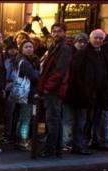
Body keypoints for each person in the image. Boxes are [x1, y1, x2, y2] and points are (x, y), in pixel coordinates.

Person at [67, 29, 107, 155]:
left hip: (94, 94)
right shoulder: (83, 53)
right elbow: (75, 74)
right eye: (96, 38)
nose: (98, 40)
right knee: (81, 121)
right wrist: (81, 91)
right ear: (90, 38)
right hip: (83, 94)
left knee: (88, 121)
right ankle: (78, 146)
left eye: (101, 38)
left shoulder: (100, 53)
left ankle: (83, 144)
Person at [38, 22, 72, 159]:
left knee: (53, 120)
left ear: (64, 32)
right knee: (54, 120)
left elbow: (59, 71)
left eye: (59, 31)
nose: (56, 34)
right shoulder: (55, 46)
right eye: (54, 31)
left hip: (54, 90)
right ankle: (55, 150)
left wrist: (47, 87)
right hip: (52, 88)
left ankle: (51, 150)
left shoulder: (64, 48)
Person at [60, 33, 88, 152]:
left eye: (84, 42)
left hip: (82, 93)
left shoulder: (86, 55)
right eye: (79, 41)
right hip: (70, 92)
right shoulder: (70, 54)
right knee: (68, 119)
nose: (81, 44)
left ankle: (74, 142)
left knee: (80, 120)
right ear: (75, 42)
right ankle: (65, 141)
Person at [11, 40, 40, 151]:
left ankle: (20, 139)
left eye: (31, 47)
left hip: (25, 93)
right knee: (26, 118)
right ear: (21, 49)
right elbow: (34, 76)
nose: (29, 49)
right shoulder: (24, 62)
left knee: (23, 117)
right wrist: (38, 72)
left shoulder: (27, 60)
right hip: (27, 93)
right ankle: (22, 141)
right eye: (26, 47)